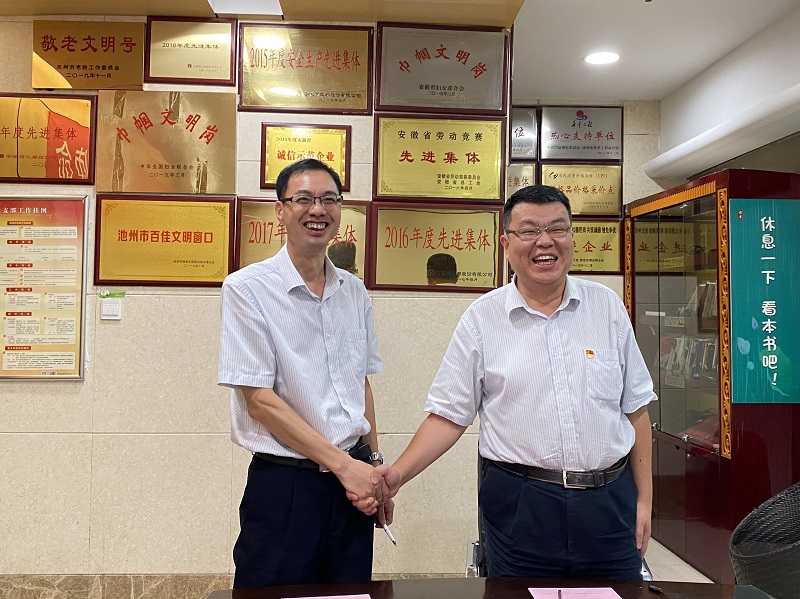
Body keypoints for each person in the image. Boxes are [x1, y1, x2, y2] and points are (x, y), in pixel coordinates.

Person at [361, 185, 657, 579]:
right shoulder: (482, 319)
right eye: (529, 230)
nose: (545, 242)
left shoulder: (607, 308)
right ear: (505, 243)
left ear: (572, 237)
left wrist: (645, 500)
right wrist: (397, 474)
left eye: (557, 228)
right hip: (522, 506)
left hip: (609, 503)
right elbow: (448, 417)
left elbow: (635, 411)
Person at [218, 158, 390, 588]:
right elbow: (259, 401)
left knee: (348, 593)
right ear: (280, 210)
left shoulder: (354, 291)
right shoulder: (247, 288)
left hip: (352, 483)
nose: (318, 210)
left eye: (329, 199)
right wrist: (344, 466)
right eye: (304, 199)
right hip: (286, 485)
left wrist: (373, 468)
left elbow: (361, 384)